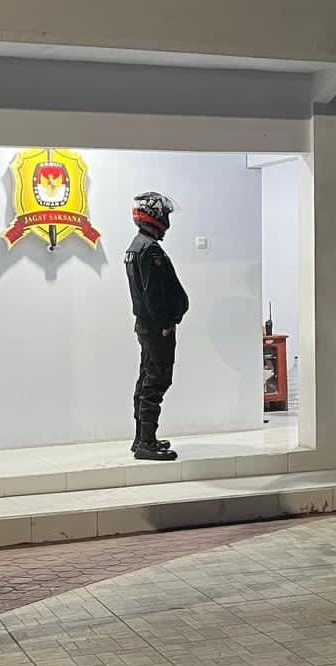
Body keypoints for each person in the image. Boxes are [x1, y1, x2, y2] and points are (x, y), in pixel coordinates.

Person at [126, 191, 188, 462]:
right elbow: (153, 293)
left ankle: (143, 438)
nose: (167, 221)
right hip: (156, 328)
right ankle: (146, 443)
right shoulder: (149, 249)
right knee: (156, 382)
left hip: (147, 326)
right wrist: (165, 322)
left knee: (146, 380)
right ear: (154, 216)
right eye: (164, 215)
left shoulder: (136, 246)